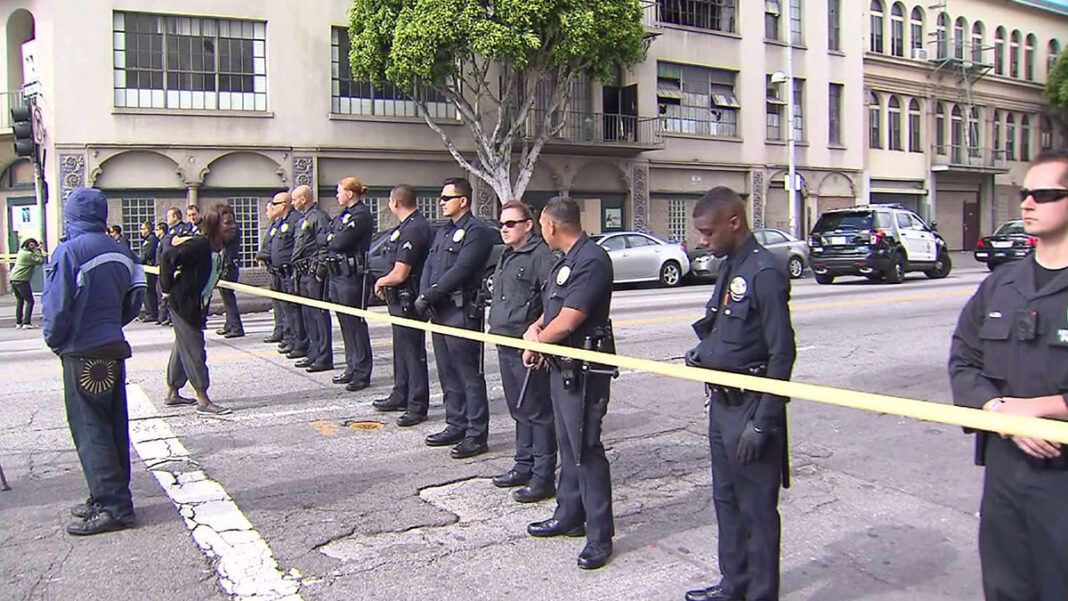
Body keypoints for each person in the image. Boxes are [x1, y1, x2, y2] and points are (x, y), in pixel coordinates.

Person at [948, 149, 1068, 601]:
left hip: (1062, 475)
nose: (1027, 203)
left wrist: (1039, 410)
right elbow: (963, 359)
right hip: (1004, 470)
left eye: (1044, 194)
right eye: (1025, 193)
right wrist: (997, 411)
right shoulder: (1001, 284)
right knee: (1005, 587)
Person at [683, 186, 796, 601]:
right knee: (726, 502)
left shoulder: (764, 272)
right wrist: (704, 353)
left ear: (734, 222)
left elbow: (782, 353)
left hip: (751, 410)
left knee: (757, 512)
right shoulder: (732, 264)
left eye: (708, 232)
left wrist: (764, 424)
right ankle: (734, 585)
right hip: (723, 405)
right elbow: (725, 329)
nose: (702, 240)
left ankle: (761, 593)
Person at [42, 187, 146, 535]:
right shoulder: (122, 252)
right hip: (111, 345)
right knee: (113, 425)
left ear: (71, 215)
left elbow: (56, 307)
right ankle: (109, 495)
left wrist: (55, 340)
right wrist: (111, 324)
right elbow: (135, 300)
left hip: (81, 347)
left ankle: (112, 506)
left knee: (90, 428)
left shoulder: (68, 251)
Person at [522, 197, 616, 570]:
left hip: (585, 368)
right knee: (567, 443)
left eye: (541, 224)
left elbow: (572, 318)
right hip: (562, 364)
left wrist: (538, 342)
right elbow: (555, 308)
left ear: (551, 226)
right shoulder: (567, 260)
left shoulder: (591, 259)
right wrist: (535, 328)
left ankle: (599, 536)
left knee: (586, 448)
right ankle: (569, 515)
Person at [414, 177, 493, 458]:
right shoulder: (443, 231)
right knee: (447, 371)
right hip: (441, 310)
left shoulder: (477, 231)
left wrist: (429, 296)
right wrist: (423, 294)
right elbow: (430, 265)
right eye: (441, 197)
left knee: (468, 374)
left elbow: (461, 269)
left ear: (463, 200)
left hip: (461, 310)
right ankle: (455, 423)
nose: (441, 202)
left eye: (447, 198)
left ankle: (476, 433)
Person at [488, 200, 558, 503]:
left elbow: (553, 301)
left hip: (527, 344)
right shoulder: (507, 255)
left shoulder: (541, 256)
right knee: (519, 408)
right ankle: (523, 464)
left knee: (538, 411)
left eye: (510, 224)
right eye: (501, 224)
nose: (504, 229)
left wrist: (539, 338)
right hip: (505, 340)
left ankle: (543, 476)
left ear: (528, 225)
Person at [159, 203, 234, 416]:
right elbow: (167, 257)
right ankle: (203, 397)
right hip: (182, 302)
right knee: (195, 348)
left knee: (183, 345)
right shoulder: (199, 244)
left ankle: (173, 391)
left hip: (197, 303)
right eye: (227, 223)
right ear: (214, 224)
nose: (232, 227)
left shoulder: (219, 247)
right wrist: (165, 289)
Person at [372, 185, 433, 426]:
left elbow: (400, 273)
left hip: (409, 298)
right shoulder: (405, 227)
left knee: (412, 352)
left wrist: (380, 281)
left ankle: (417, 404)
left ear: (395, 202)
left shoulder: (415, 228)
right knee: (401, 350)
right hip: (399, 300)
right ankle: (401, 394)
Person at [325, 177, 374, 391]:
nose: (337, 195)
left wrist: (331, 238)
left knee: (355, 324)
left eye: (339, 191)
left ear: (350, 193)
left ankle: (362, 372)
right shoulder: (343, 215)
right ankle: (351, 366)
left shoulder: (361, 215)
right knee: (345, 323)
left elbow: (338, 242)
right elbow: (326, 236)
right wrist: (330, 238)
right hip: (337, 274)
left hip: (352, 276)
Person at [291, 185, 333, 372]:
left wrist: (320, 271)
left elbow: (324, 245)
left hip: (313, 272)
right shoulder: (304, 219)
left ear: (304, 198)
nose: (293, 203)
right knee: (309, 315)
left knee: (319, 316)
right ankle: (314, 353)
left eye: (295, 199)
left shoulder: (319, 217)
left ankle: (324, 356)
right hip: (303, 273)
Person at [270, 192, 307, 359]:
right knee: (286, 310)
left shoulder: (294, 220)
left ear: (283, 204)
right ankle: (290, 338)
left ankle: (299, 342)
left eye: (275, 203)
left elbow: (297, 246)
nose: (272, 206)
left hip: (290, 272)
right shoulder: (280, 222)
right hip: (280, 273)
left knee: (294, 310)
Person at [258, 197, 286, 344]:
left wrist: (264, 255)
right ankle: (279, 329)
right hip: (272, 268)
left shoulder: (281, 225)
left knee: (283, 303)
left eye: (269, 209)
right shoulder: (273, 226)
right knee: (277, 302)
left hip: (281, 270)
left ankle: (283, 331)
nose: (267, 212)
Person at [215, 208, 244, 338]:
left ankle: (236, 327)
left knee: (229, 297)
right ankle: (229, 324)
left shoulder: (232, 229)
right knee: (226, 298)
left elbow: (223, 241)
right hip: (225, 263)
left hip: (230, 265)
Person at [156, 208, 186, 327]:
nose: (167, 219)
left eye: (169, 216)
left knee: (178, 294)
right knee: (169, 294)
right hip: (168, 267)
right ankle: (169, 316)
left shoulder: (182, 229)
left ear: (175, 217)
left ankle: (178, 317)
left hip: (177, 267)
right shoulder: (170, 232)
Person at [10, 237, 45, 328]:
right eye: (31, 245)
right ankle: (26, 322)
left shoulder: (21, 252)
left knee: (20, 301)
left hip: (14, 278)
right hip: (22, 280)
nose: (33, 247)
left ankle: (19, 322)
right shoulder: (28, 255)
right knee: (30, 301)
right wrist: (38, 251)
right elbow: (40, 261)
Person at [138, 221, 160, 323]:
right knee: (147, 291)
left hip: (149, 267)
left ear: (147, 229)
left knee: (148, 291)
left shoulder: (151, 239)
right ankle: (150, 312)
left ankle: (151, 313)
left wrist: (139, 260)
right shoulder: (147, 239)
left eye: (142, 229)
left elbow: (147, 254)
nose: (141, 231)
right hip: (146, 267)